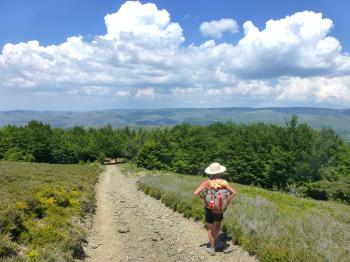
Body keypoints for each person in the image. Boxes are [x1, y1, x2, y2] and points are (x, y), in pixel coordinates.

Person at [194, 162, 237, 256]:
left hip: (209, 207)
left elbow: (196, 193)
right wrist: (227, 201)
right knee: (218, 225)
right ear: (220, 172)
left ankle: (212, 249)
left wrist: (205, 200)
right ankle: (217, 242)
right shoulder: (224, 182)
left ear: (211, 172)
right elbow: (234, 193)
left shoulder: (207, 182)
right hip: (220, 208)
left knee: (210, 228)